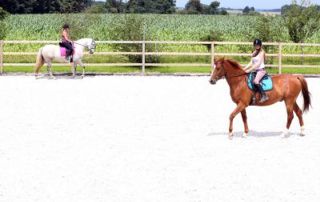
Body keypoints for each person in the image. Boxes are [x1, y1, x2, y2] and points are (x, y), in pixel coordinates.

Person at [243, 39, 269, 103]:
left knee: (256, 81)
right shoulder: (254, 52)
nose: (257, 46)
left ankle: (264, 95)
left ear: (260, 45)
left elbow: (258, 64)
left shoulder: (262, 52)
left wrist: (249, 70)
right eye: (256, 45)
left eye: (258, 45)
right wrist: (244, 69)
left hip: (261, 70)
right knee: (248, 80)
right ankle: (253, 96)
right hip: (256, 71)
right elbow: (251, 63)